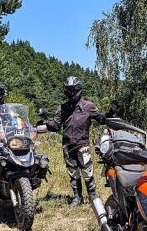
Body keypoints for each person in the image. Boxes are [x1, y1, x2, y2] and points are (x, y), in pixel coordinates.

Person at [41, 76, 106, 206]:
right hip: (67, 145)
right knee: (73, 172)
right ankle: (77, 197)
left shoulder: (88, 106)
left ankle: (92, 196)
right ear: (65, 91)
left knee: (87, 171)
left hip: (82, 144)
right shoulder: (62, 108)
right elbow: (56, 125)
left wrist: (111, 113)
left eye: (74, 90)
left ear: (79, 89)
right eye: (69, 90)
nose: (71, 93)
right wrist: (44, 122)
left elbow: (101, 119)